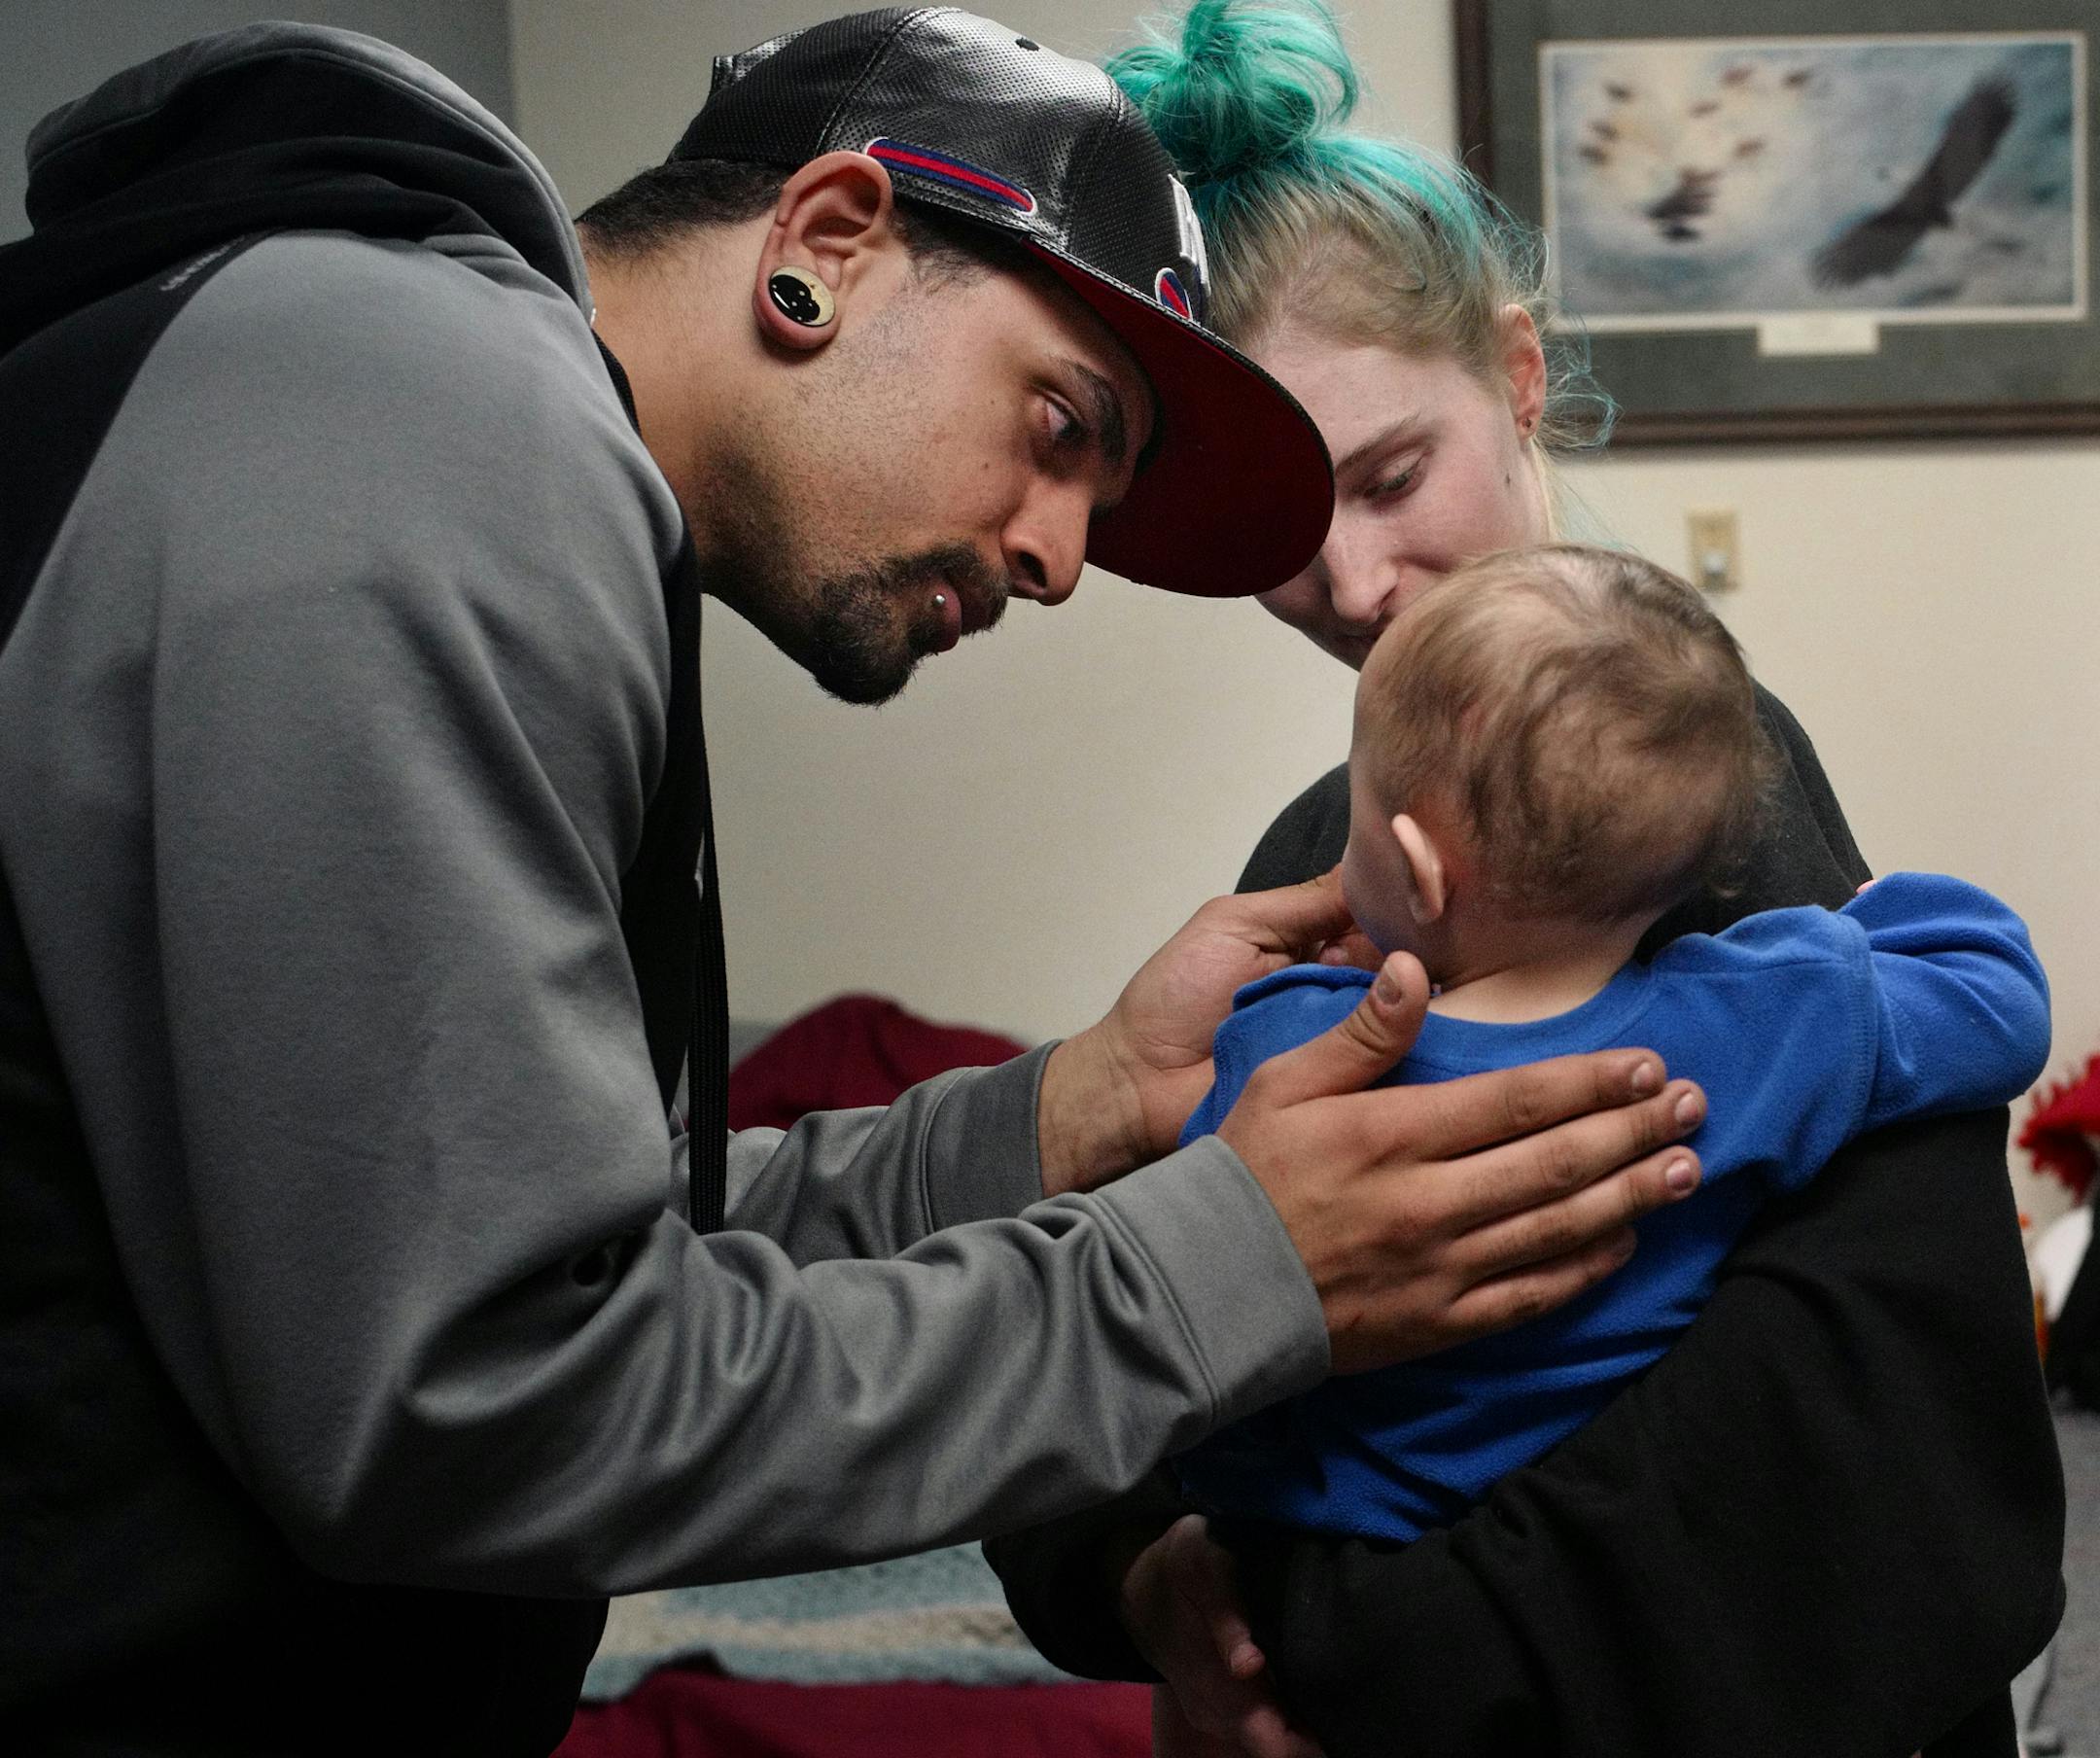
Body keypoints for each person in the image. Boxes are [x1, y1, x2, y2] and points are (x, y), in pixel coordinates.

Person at [0, 12, 1714, 1752]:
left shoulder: (435, 409)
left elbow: (583, 1255)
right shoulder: (430, 434)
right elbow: (479, 1404)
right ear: (826, 245)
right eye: (1060, 423)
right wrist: (1228, 1267)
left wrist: (1076, 1111)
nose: (1059, 556)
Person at [985, 8, 2066, 1757]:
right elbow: (1092, 1334)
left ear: (1523, 376)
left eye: (1394, 475)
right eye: (1281, 529)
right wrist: (1146, 1578)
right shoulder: (1309, 870)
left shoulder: (1729, 832)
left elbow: (1867, 1447)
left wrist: (1329, 1636)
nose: (1351, 581)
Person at [1147, 544, 2051, 1752]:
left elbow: (1178, 1291)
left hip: (1333, 1587)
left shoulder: (1290, 1046)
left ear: (1414, 869)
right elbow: (1995, 993)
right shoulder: (1764, 1018)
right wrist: (1843, 934)